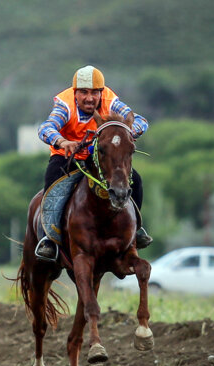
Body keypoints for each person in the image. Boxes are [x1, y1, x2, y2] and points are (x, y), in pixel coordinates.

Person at [35, 65, 152, 261]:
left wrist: (122, 132)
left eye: (95, 93)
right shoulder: (65, 105)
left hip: (99, 155)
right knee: (52, 181)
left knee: (136, 180)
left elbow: (141, 121)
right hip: (66, 156)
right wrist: (63, 141)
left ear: (101, 92)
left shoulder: (110, 100)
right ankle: (49, 239)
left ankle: (136, 230)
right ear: (75, 93)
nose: (90, 98)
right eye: (84, 92)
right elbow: (45, 128)